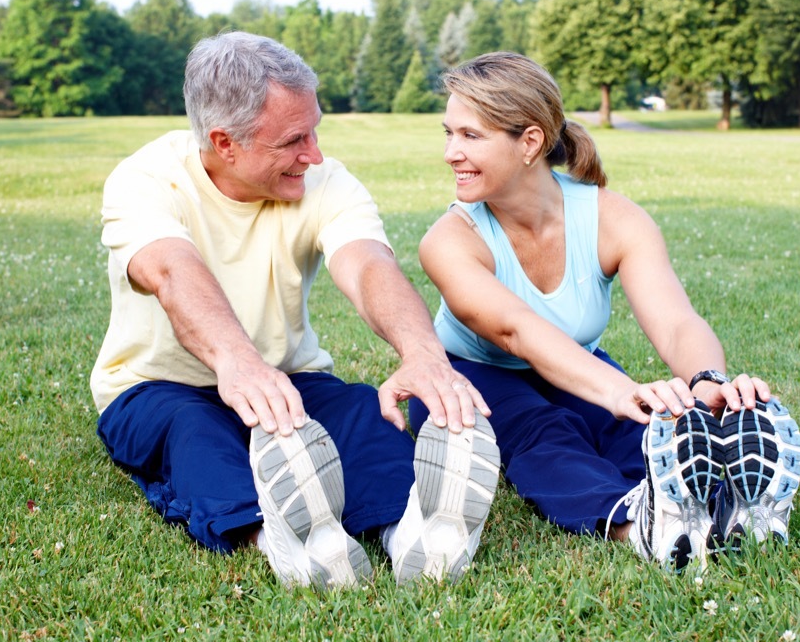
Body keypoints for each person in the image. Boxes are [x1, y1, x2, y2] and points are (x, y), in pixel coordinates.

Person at [90, 31, 500, 589]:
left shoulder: (322, 181)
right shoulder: (146, 179)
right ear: (224, 142)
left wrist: (422, 354)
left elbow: (367, 265)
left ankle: (409, 533)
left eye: (315, 129)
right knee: (195, 434)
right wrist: (237, 362)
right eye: (293, 140)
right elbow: (170, 271)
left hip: (289, 378)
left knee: (360, 414)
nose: (315, 153)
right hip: (157, 386)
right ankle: (278, 539)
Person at [412, 51, 800, 572]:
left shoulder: (611, 217)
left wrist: (706, 382)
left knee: (643, 428)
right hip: (471, 376)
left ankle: (725, 504)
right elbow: (517, 331)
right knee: (545, 435)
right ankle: (636, 521)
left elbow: (675, 319)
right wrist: (619, 390)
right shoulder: (450, 239)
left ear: (529, 142)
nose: (450, 153)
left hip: (577, 361)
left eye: (469, 136)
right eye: (449, 134)